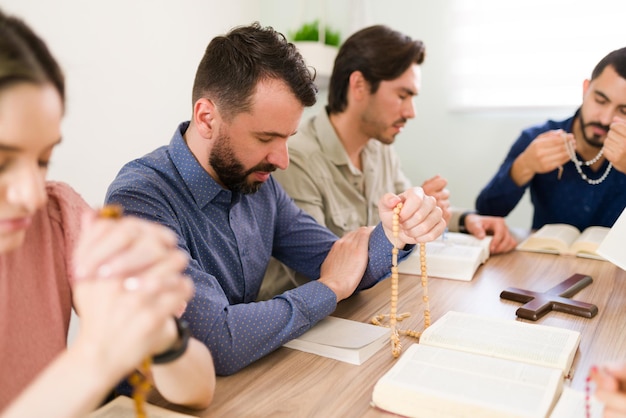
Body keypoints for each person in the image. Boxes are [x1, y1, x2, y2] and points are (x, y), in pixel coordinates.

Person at [104, 22, 446, 376]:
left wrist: (396, 232)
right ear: (206, 118)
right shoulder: (140, 200)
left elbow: (337, 259)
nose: (282, 159)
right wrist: (329, 288)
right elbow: (215, 341)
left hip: (245, 384)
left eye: (288, 137)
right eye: (266, 138)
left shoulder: (257, 183)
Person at [0, 9, 215, 417]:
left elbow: (198, 388)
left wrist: (162, 333)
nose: (31, 193)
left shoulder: (58, 218)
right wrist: (97, 354)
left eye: (43, 159)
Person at [257, 24, 518, 300]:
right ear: (358, 85)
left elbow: (406, 214)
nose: (411, 112)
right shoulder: (295, 158)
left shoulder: (378, 150)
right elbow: (323, 269)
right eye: (402, 95)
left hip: (366, 304)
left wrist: (466, 219)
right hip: (313, 327)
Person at [476, 47, 626, 231]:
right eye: (600, 101)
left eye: (623, 111)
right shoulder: (537, 138)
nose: (605, 119)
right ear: (586, 89)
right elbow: (486, 211)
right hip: (545, 256)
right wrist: (525, 165)